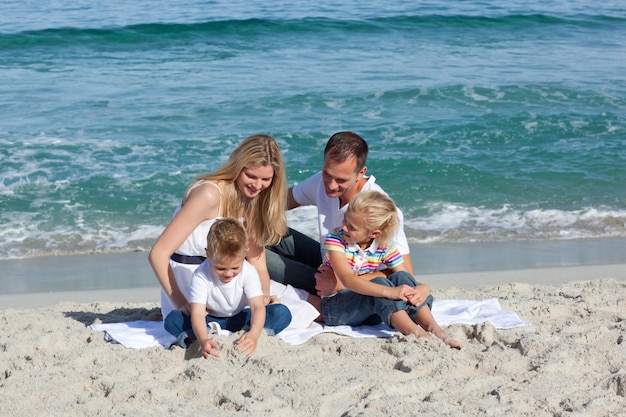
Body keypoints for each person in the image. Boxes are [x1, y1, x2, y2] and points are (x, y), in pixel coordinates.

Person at [149, 134, 288, 320]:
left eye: (266, 179)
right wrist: (181, 304)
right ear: (237, 167)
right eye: (251, 176)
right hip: (193, 282)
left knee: (294, 307)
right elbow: (158, 254)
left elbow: (258, 263)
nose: (257, 186)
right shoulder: (209, 195)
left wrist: (262, 296)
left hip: (232, 279)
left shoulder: (255, 201)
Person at [266, 131, 413, 296]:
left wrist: (342, 283)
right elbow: (276, 204)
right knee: (262, 228)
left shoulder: (381, 210)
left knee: (255, 255)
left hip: (352, 288)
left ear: (361, 173)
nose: (331, 185)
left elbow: (405, 275)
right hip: (329, 260)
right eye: (327, 174)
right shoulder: (320, 182)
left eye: (341, 180)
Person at [314, 190, 462, 349]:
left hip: (374, 312)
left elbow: (405, 276)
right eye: (345, 219)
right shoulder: (336, 239)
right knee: (380, 283)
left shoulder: (384, 245)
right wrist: (389, 292)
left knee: (401, 277)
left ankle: (435, 329)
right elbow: (347, 279)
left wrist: (423, 288)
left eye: (352, 226)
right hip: (337, 308)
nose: (344, 227)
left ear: (374, 233)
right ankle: (416, 333)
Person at [164, 218, 292, 357]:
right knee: (173, 320)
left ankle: (246, 333)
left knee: (281, 313)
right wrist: (203, 339)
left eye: (235, 267)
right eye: (220, 268)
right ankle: (205, 336)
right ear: (208, 255)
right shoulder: (201, 275)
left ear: (245, 254)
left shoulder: (248, 271)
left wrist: (254, 335)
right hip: (211, 319)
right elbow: (198, 313)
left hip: (242, 317)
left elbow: (257, 307)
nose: (228, 274)